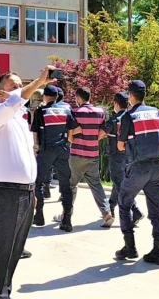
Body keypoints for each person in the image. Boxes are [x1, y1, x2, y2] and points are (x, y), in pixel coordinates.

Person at [0, 68, 54, 299]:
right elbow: (15, 101)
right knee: (2, 251)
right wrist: (38, 81)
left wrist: (32, 189)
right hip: (6, 191)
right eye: (13, 87)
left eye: (21, 86)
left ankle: (4, 292)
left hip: (24, 191)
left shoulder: (18, 117)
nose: (19, 90)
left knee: (14, 250)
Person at [114, 80, 159, 265]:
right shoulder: (156, 112)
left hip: (137, 168)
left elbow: (120, 146)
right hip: (155, 168)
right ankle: (158, 251)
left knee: (124, 203)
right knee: (155, 210)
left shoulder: (128, 116)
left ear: (130, 96)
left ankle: (130, 247)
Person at [31, 85, 80, 230]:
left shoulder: (41, 111)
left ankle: (39, 215)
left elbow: (35, 132)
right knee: (65, 185)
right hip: (62, 150)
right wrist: (68, 141)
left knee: (38, 183)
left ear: (45, 97)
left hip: (46, 150)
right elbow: (75, 128)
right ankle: (67, 219)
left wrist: (36, 147)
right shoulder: (66, 110)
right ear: (57, 96)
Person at [68, 87, 114, 228]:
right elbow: (101, 133)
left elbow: (70, 134)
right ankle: (107, 213)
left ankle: (66, 215)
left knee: (70, 186)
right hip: (93, 154)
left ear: (78, 98)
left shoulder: (74, 112)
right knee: (96, 185)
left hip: (76, 154)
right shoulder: (100, 112)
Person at [99, 92, 144, 222]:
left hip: (116, 156)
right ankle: (111, 206)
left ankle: (135, 210)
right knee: (119, 182)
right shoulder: (131, 117)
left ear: (116, 104)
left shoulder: (113, 119)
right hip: (130, 156)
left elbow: (100, 134)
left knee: (120, 183)